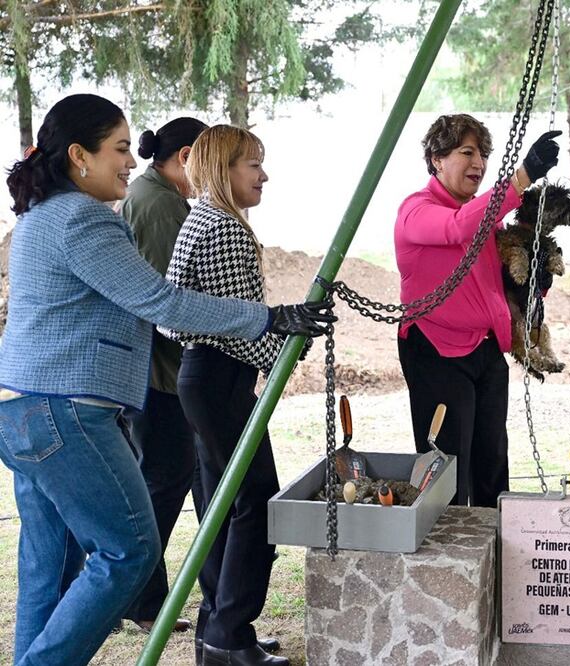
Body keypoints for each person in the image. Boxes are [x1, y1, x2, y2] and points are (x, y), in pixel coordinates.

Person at [0, 95, 334, 666]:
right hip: (67, 411)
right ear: (79, 155)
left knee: (48, 564)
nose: (132, 161)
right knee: (128, 553)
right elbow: (161, 301)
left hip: (20, 408)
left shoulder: (39, 215)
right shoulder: (83, 219)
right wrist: (269, 318)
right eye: (120, 149)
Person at [164, 124, 321, 666]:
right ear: (222, 168)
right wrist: (290, 343)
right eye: (253, 164)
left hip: (201, 377)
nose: (264, 175)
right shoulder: (227, 229)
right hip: (221, 377)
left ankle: (217, 628)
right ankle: (230, 634)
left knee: (221, 506)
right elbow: (238, 329)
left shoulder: (199, 218)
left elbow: (186, 320)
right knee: (255, 501)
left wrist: (280, 332)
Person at [395, 114, 560, 507]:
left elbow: (497, 284)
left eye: (483, 154)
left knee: (492, 463)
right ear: (437, 159)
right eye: (467, 152)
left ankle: (495, 540)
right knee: (447, 471)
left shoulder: (484, 217)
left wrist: (535, 281)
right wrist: (522, 177)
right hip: (436, 351)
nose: (479, 163)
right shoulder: (416, 210)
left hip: (485, 352)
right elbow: (456, 227)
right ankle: (448, 546)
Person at [117, 116, 208, 635]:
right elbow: (166, 301)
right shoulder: (157, 204)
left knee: (184, 477)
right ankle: (142, 599)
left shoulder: (158, 196)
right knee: (164, 480)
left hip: (165, 371)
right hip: (161, 374)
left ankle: (158, 597)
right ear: (188, 156)